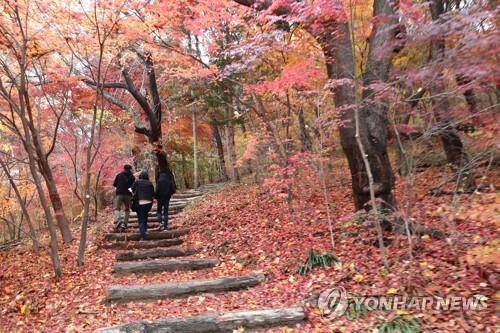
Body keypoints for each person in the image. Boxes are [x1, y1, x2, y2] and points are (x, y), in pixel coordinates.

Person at [132, 171, 155, 240]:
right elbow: (153, 193)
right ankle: (144, 230)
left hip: (139, 202)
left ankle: (143, 236)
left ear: (140, 176)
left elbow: (132, 190)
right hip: (148, 202)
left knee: (141, 218)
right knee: (145, 215)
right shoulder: (150, 183)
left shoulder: (137, 182)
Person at [112, 164, 135, 232]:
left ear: (124, 168)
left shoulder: (119, 175)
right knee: (127, 209)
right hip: (128, 194)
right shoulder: (132, 177)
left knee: (117, 208)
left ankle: (119, 220)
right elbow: (133, 186)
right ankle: (124, 224)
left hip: (119, 193)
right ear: (130, 169)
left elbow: (114, 184)